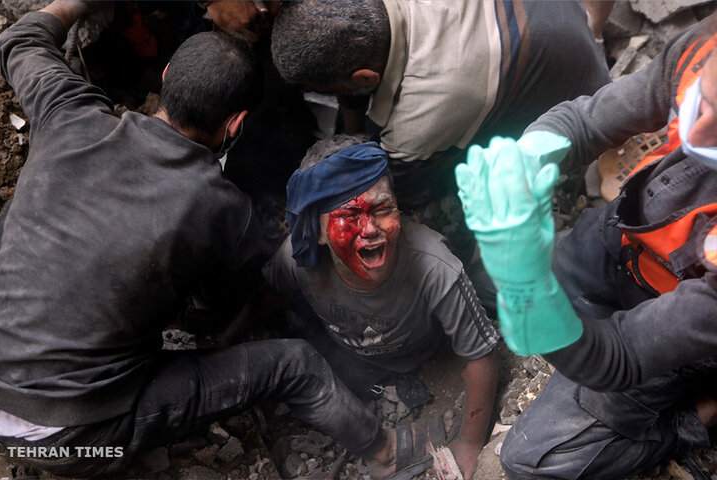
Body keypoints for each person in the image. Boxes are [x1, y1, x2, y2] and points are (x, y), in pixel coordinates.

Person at [0, 2, 400, 477]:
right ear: (237, 124)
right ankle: (386, 449)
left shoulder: (69, 113)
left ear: (167, 75)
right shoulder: (220, 206)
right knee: (296, 364)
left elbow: (17, 41)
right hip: (71, 441)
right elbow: (273, 269)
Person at [455, 14, 717, 480]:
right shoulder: (705, 47)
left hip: (678, 314)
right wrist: (531, 153)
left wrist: (533, 295)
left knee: (533, 460)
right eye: (708, 102)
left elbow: (620, 355)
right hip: (623, 241)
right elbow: (585, 121)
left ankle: (691, 421)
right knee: (478, 284)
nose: (696, 133)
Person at [270, 0, 612, 317]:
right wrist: (351, 112)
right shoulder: (378, 21)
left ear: (365, 78)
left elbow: (405, 184)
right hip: (560, 21)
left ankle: (557, 198)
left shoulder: (423, 116)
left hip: (578, 103)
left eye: (333, 92)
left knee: (430, 207)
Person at [261, 134, 500, 479]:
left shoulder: (435, 266)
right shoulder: (298, 261)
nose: (370, 229)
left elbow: (481, 352)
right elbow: (269, 296)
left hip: (420, 353)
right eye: (349, 216)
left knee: (490, 284)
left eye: (383, 209)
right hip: (350, 358)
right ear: (317, 232)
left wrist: (470, 441)